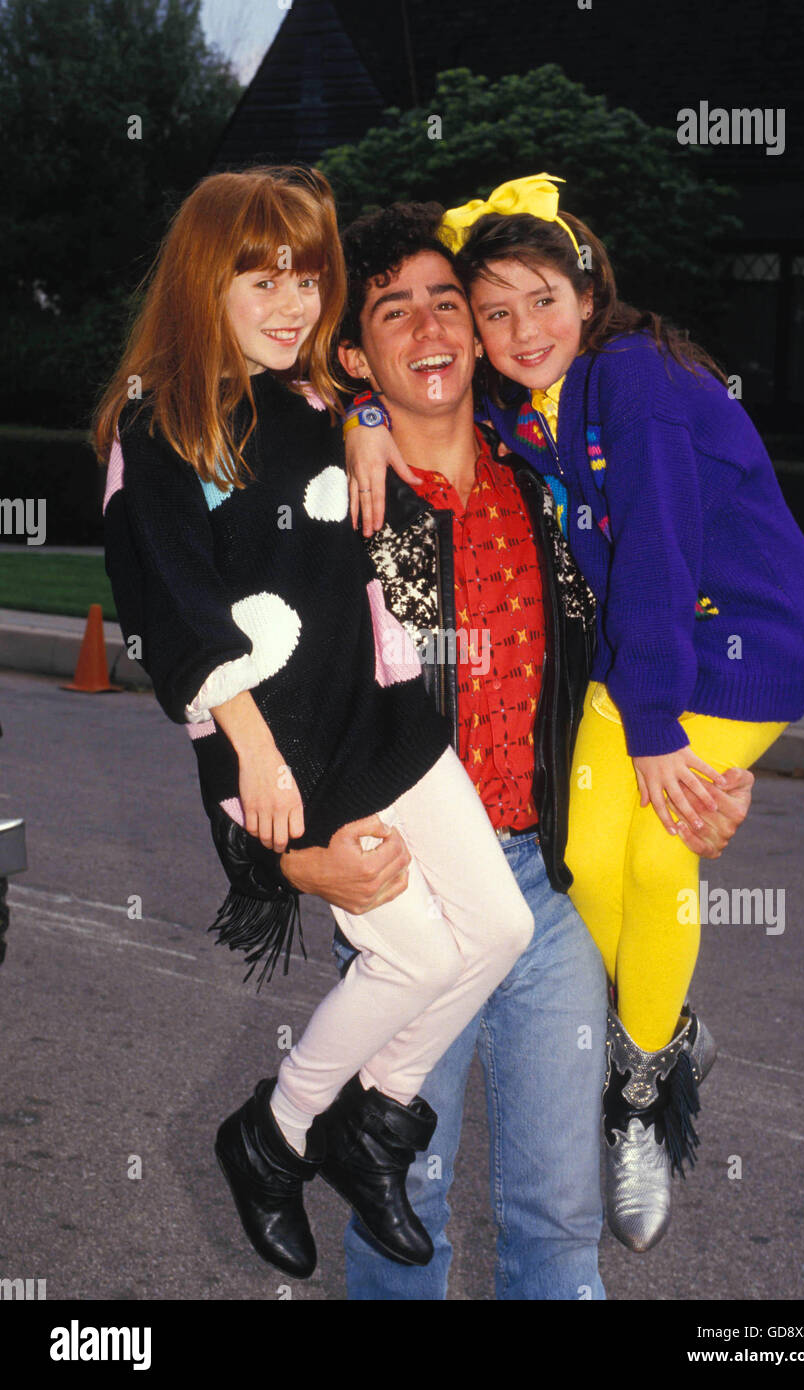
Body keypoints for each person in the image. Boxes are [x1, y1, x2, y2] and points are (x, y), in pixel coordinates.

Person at [282, 200, 757, 1297]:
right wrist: (292, 855)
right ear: (355, 352)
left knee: (556, 1220)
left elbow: (650, 625)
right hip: (414, 904)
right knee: (400, 1210)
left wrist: (698, 777)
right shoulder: (327, 500)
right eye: (389, 312)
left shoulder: (548, 477)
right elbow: (252, 702)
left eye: (446, 302)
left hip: (549, 894)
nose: (429, 327)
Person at [96, 166, 537, 1283]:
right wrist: (250, 752)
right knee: (414, 954)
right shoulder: (164, 424)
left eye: (307, 274)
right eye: (262, 276)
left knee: (496, 930)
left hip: (380, 716)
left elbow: (352, 442)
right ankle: (274, 1134)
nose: (293, 301)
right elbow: (170, 611)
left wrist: (369, 423)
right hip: (282, 742)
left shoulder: (308, 405)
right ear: (208, 279)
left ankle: (360, 1125)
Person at [429, 173, 804, 1251]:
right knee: (582, 862)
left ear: (587, 286)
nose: (520, 330)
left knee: (656, 860)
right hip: (642, 666)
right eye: (493, 312)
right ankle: (673, 1024)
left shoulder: (633, 378)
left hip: (739, 651)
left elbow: (654, 555)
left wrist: (652, 729)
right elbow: (372, 381)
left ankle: (639, 1091)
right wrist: (372, 414)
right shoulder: (532, 402)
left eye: (540, 299)